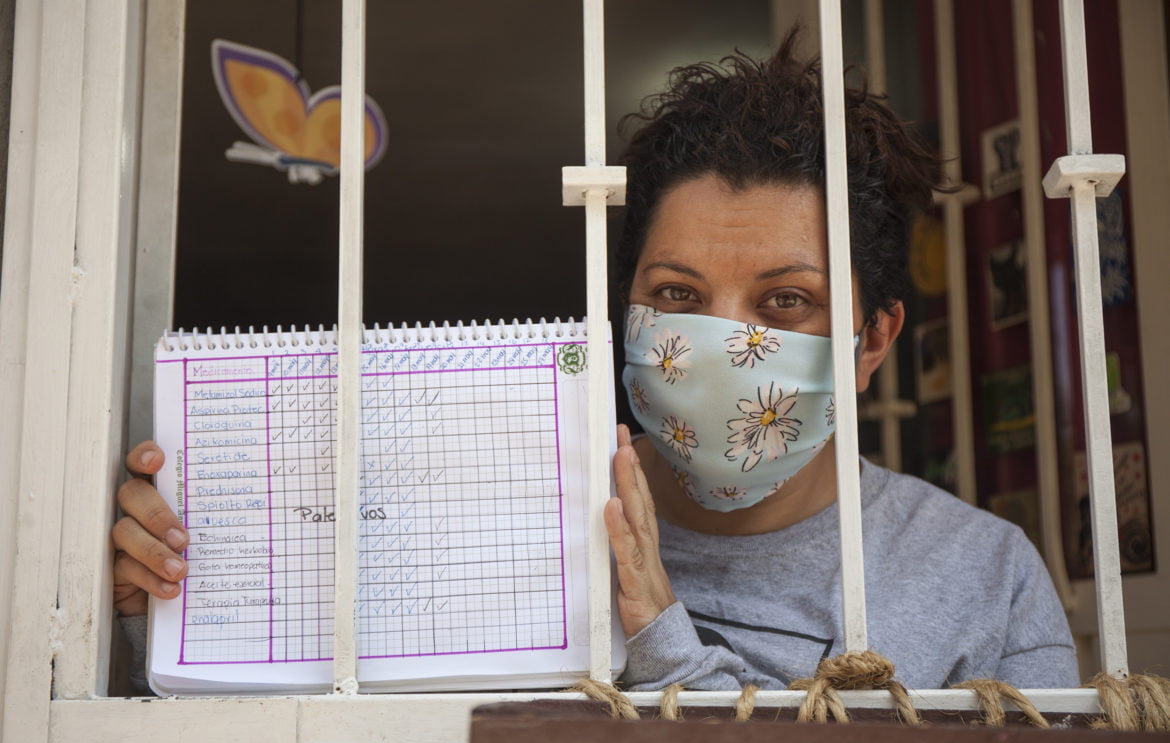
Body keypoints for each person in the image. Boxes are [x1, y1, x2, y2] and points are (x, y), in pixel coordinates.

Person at [113, 32, 1078, 692]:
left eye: (786, 303)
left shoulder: (983, 581)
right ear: (622, 315)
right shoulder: (493, 517)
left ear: (872, 341)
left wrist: (664, 641)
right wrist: (172, 590)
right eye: (676, 296)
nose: (718, 343)